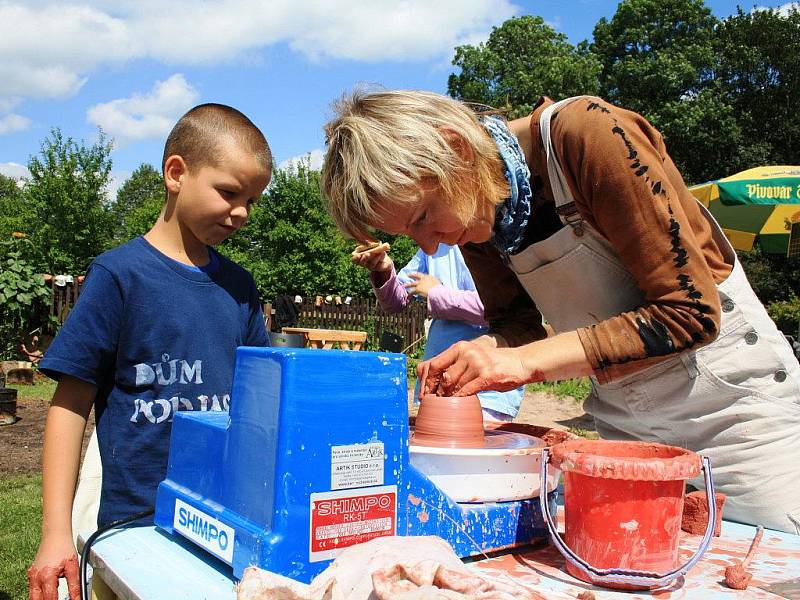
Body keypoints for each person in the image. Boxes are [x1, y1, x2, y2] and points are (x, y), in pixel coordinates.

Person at [321, 89, 800, 534]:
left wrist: (522, 362)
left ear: (457, 150)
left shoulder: (585, 137)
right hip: (623, 423)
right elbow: (517, 326)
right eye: (410, 235)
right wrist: (486, 349)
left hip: (734, 416)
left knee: (764, 559)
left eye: (422, 217)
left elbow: (689, 313)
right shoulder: (479, 211)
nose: (429, 243)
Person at [28, 103, 272, 598]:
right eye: (229, 192)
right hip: (135, 524)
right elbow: (70, 404)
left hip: (222, 520)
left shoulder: (240, 288)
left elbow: (262, 400)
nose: (242, 212)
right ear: (176, 173)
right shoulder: (119, 276)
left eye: (251, 199)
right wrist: (55, 533)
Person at [353, 242, 524, 421]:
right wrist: (384, 270)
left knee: (475, 443)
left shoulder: (502, 239)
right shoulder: (435, 242)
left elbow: (507, 308)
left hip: (488, 387)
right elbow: (395, 302)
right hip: (435, 382)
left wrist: (437, 293)